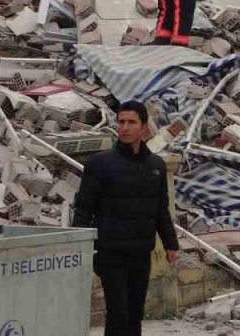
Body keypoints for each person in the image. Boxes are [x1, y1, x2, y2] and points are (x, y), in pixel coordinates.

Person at [72, 101, 179, 336]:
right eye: (121, 122)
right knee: (118, 313)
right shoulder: (100, 164)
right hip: (110, 253)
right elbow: (83, 209)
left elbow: (161, 208)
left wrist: (171, 243)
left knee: (135, 313)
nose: (125, 127)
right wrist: (81, 249)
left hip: (141, 251)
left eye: (131, 122)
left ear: (143, 128)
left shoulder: (156, 166)